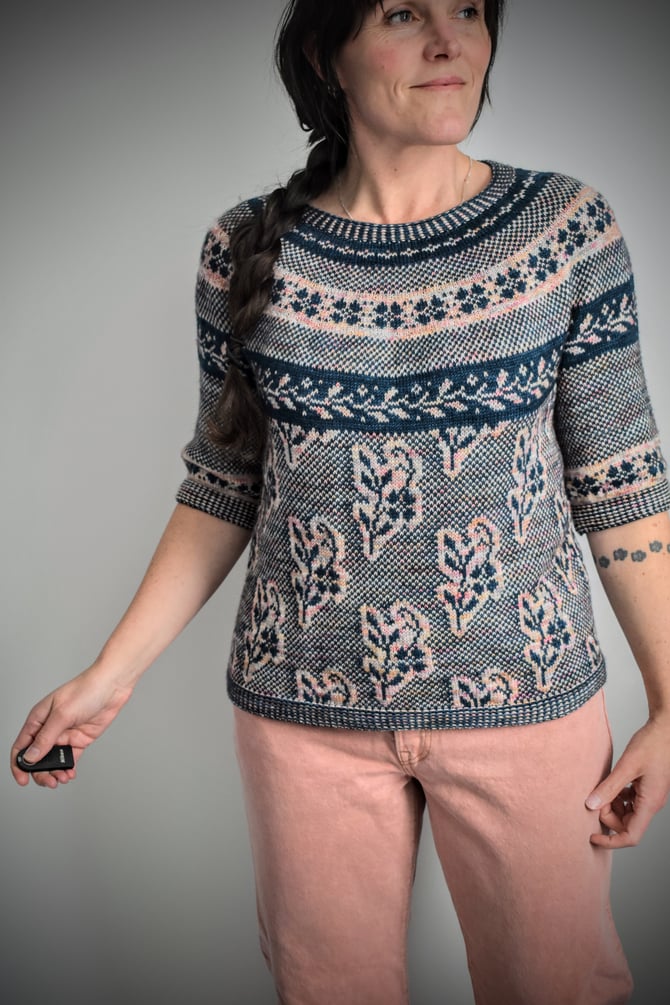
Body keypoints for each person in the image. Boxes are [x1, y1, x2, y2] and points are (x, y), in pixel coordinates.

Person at [10, 1, 670, 1002]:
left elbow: (620, 482)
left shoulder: (564, 228)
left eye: (468, 10)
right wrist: (110, 675)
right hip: (300, 719)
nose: (449, 40)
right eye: (404, 12)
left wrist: (668, 701)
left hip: (527, 705)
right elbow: (224, 482)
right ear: (326, 53)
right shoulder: (242, 247)